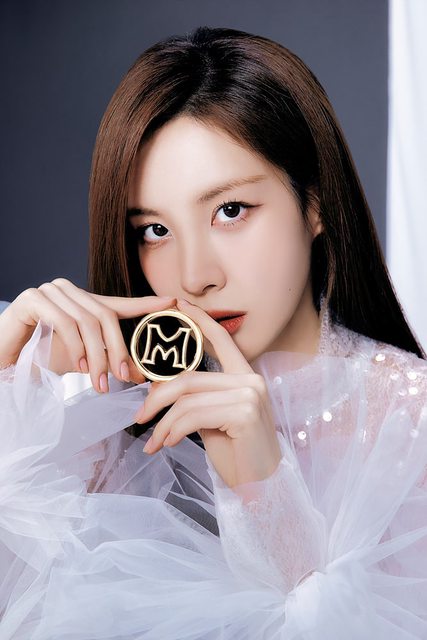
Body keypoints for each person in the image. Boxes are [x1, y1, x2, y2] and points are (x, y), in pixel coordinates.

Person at [0, 25, 426, 639]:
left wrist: (263, 488)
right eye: (154, 230)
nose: (195, 276)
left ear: (315, 205)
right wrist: (11, 379)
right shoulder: (106, 419)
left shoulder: (411, 422)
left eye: (230, 211)